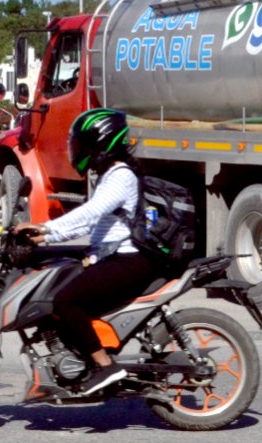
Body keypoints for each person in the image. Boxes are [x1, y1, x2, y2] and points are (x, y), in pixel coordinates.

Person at [16, 108, 164, 396]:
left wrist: (46, 230)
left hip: (130, 260)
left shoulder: (121, 176)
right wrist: (45, 237)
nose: (77, 150)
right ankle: (81, 354)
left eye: (82, 144)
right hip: (113, 256)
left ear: (102, 142)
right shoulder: (111, 175)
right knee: (59, 281)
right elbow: (89, 223)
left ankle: (105, 365)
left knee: (65, 301)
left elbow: (90, 213)